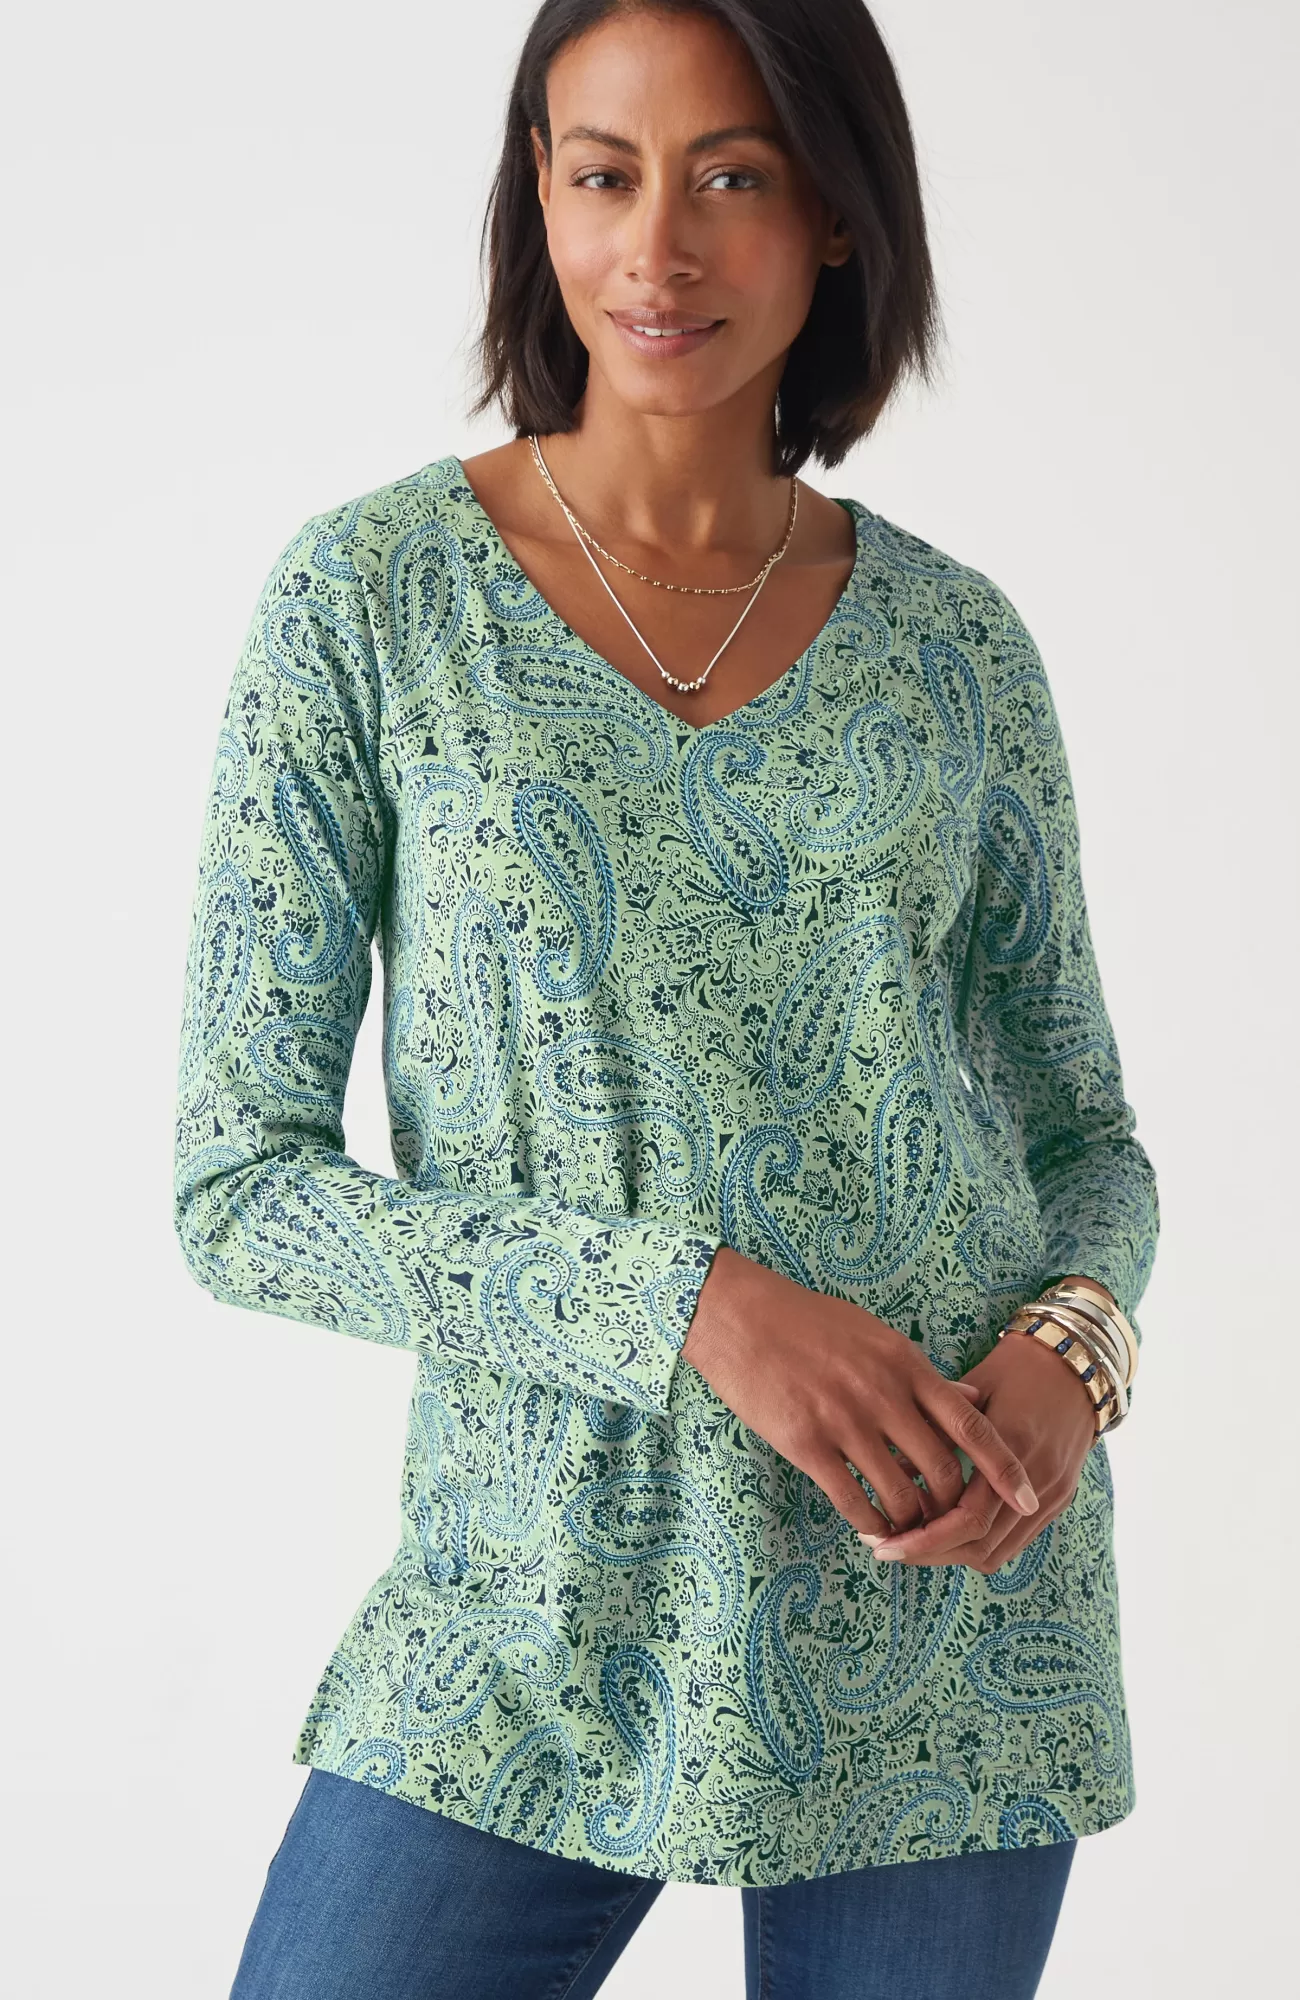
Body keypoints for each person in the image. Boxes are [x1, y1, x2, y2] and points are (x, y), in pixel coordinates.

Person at [172, 2, 1160, 1994]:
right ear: (534, 197)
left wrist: (1072, 1359)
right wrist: (690, 1305)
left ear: (836, 217)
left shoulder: (956, 650)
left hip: (944, 1613)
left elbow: (1087, 1141)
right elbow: (239, 1188)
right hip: (526, 1612)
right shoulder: (371, 604)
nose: (658, 250)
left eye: (731, 176)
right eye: (602, 175)